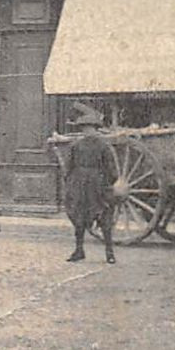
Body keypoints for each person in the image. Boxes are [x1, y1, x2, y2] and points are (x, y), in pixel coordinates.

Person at [61, 108, 118, 264]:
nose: (87, 131)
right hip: (89, 185)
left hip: (90, 185)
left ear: (95, 129)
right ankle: (81, 251)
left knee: (101, 219)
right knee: (83, 219)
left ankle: (108, 252)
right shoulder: (97, 146)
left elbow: (67, 169)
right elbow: (112, 172)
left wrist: (72, 181)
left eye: (89, 128)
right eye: (85, 128)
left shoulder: (98, 146)